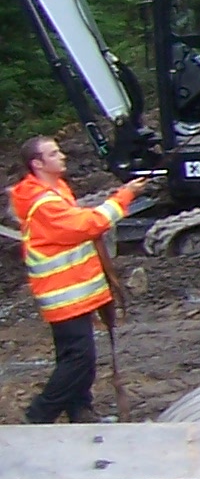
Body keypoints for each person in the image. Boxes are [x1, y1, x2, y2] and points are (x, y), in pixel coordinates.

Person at [11, 136, 149, 423]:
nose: (62, 156)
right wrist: (124, 197)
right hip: (64, 295)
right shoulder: (44, 203)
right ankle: (39, 415)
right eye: (54, 153)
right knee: (79, 359)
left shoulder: (53, 188)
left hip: (73, 291)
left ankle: (80, 411)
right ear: (38, 164)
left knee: (75, 358)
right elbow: (88, 225)